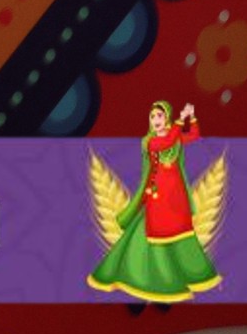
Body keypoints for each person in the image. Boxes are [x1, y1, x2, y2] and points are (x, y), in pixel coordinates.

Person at [89, 100, 223, 304]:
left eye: (159, 116)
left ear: (166, 118)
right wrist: (180, 121)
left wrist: (191, 117)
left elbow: (193, 136)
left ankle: (191, 272)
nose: (155, 120)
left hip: (176, 195)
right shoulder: (150, 141)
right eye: (152, 117)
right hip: (158, 195)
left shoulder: (175, 137)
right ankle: (156, 277)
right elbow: (165, 143)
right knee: (158, 231)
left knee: (181, 230)